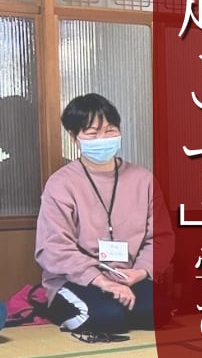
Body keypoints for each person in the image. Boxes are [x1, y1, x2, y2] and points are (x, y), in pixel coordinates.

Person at [35, 93, 172, 341]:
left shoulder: (143, 180)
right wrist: (101, 280)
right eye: (92, 133)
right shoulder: (61, 184)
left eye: (110, 130)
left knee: (160, 312)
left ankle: (117, 308)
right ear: (73, 137)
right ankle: (68, 308)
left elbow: (161, 237)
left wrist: (140, 272)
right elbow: (54, 247)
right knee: (106, 318)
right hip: (78, 279)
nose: (103, 139)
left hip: (128, 276)